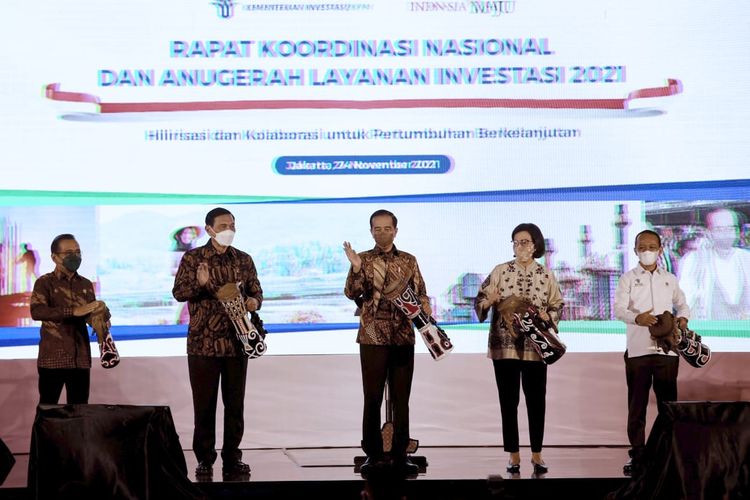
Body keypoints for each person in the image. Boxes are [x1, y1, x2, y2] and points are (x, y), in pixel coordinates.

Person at [172, 207, 262, 479]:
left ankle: (232, 458)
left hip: (238, 343)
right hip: (203, 344)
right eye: (223, 226)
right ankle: (204, 460)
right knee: (205, 405)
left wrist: (252, 302)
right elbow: (179, 293)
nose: (228, 230)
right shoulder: (194, 258)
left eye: (232, 225)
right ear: (209, 229)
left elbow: (257, 292)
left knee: (235, 405)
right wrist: (200, 285)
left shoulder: (243, 259)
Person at [343, 209, 429, 476]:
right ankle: (373, 454)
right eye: (377, 229)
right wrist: (357, 268)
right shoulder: (364, 259)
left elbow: (421, 295)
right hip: (372, 336)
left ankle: (401, 454)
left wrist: (425, 320)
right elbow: (351, 292)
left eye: (387, 228)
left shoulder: (409, 260)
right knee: (372, 397)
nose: (382, 233)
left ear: (395, 230)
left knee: (401, 399)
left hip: (403, 336)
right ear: (371, 232)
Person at [474, 223, 563, 475]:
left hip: (536, 346)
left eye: (524, 242)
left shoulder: (546, 275)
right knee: (508, 400)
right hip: (505, 346)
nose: (519, 246)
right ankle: (513, 454)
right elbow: (480, 299)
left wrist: (549, 315)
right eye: (515, 242)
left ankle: (537, 453)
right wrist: (487, 301)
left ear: (536, 245)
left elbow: (557, 304)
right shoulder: (500, 271)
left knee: (537, 400)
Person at [614, 229, 689, 476]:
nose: (647, 250)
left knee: (668, 406)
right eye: (642, 246)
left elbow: (683, 303)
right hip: (638, 351)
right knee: (637, 406)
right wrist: (638, 317)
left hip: (667, 353)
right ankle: (638, 454)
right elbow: (618, 310)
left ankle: (667, 452)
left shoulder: (669, 278)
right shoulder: (627, 278)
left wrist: (683, 319)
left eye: (652, 246)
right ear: (635, 250)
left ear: (660, 249)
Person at [29, 234, 109, 404]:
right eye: (68, 252)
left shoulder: (86, 284)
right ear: (54, 257)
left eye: (78, 252)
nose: (75, 256)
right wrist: (73, 311)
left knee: (80, 411)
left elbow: (88, 314)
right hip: (53, 358)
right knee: (48, 409)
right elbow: (37, 311)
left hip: (80, 358)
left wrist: (100, 315)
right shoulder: (44, 283)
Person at [678, 208, 750, 319]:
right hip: (709, 333)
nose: (726, 233)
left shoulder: (746, 258)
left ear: (738, 231)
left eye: (730, 228)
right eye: (719, 229)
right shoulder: (694, 260)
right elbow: (684, 302)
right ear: (709, 232)